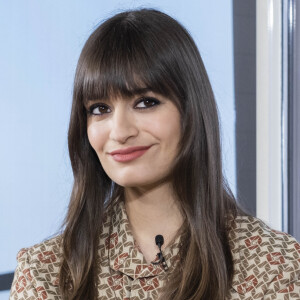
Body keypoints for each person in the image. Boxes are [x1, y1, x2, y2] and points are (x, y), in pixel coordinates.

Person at [10, 8, 300, 300]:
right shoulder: (46, 272)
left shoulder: (273, 265)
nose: (120, 131)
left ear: (190, 111)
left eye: (146, 102)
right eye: (100, 108)